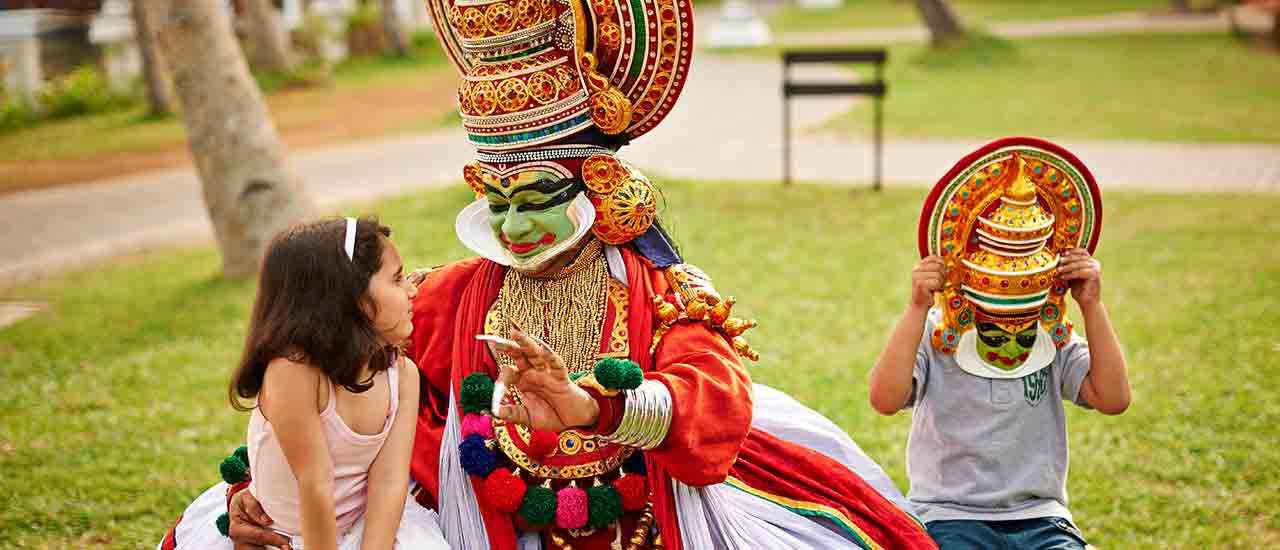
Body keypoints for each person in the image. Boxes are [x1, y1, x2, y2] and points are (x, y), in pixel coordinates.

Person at [189, 0, 939, 548]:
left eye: (536, 199)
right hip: (488, 523)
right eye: (498, 202)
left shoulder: (661, 289)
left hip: (647, 522)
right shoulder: (453, 296)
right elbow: (338, 383)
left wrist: (589, 408)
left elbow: (715, 405)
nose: (513, 230)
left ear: (596, 186)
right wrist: (254, 489)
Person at [868, 139, 1131, 549]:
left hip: (1041, 517)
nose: (1010, 340)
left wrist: (1091, 306)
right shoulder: (937, 334)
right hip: (948, 516)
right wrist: (917, 308)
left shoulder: (1052, 335)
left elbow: (1113, 398)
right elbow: (884, 399)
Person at [159, 218, 448, 550]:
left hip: (366, 527)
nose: (412, 288)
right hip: (293, 536)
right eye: (396, 278)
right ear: (350, 299)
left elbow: (388, 481)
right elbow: (315, 483)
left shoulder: (404, 376)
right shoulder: (293, 372)